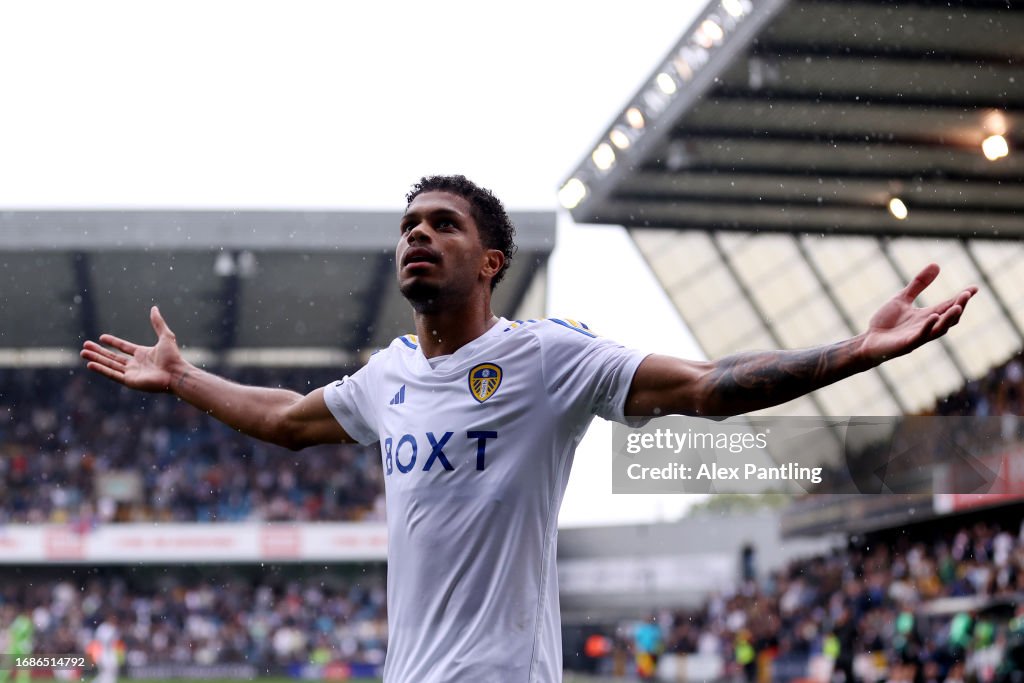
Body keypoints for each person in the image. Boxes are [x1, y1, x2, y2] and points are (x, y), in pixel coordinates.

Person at [80, 174, 976, 683]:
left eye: (443, 224)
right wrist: (185, 377)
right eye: (407, 226)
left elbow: (706, 386)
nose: (416, 236)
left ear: (492, 260)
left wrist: (858, 350)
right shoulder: (388, 374)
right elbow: (283, 419)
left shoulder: (547, 357)